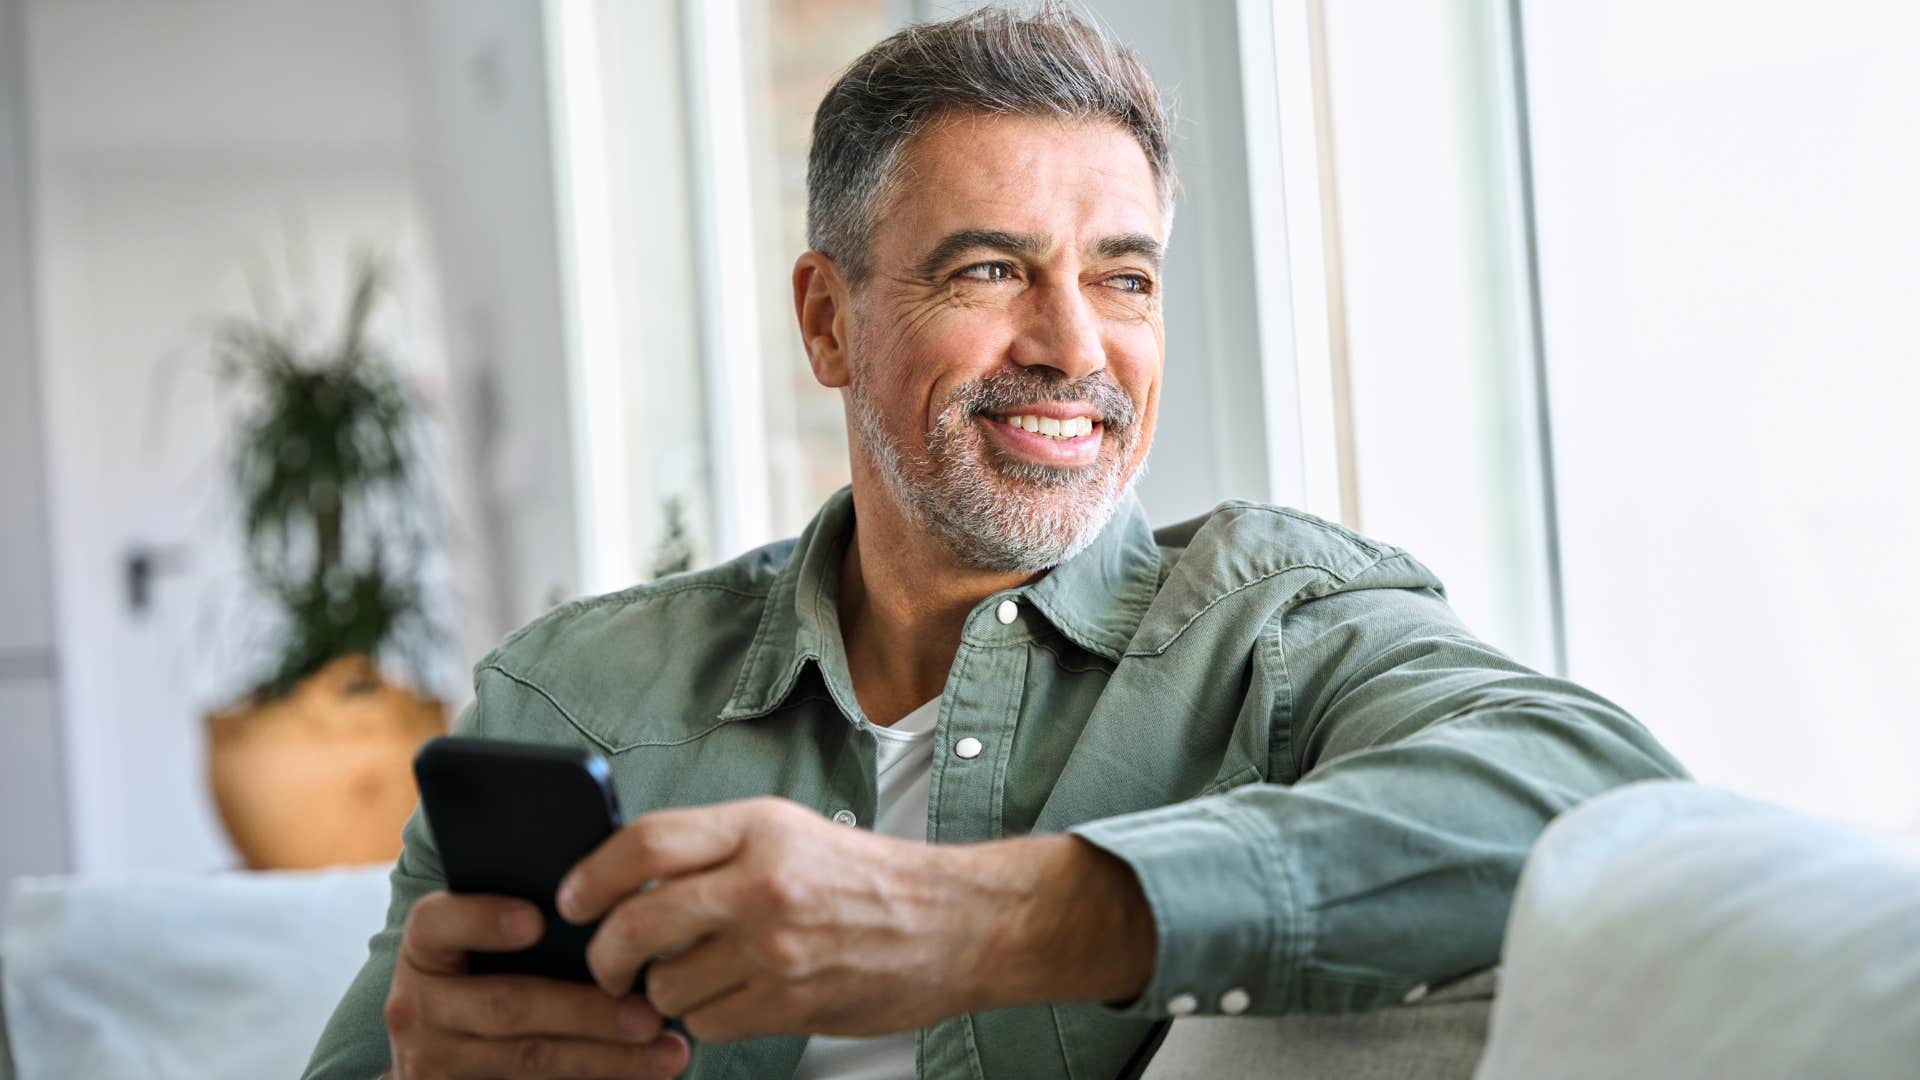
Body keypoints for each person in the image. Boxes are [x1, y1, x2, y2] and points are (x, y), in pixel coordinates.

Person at [305, 6, 1685, 1079]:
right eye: (990, 269)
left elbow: (1606, 803)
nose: (1074, 346)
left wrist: (974, 923)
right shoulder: (572, 695)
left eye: (1123, 277)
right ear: (828, 322)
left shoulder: (1277, 629)